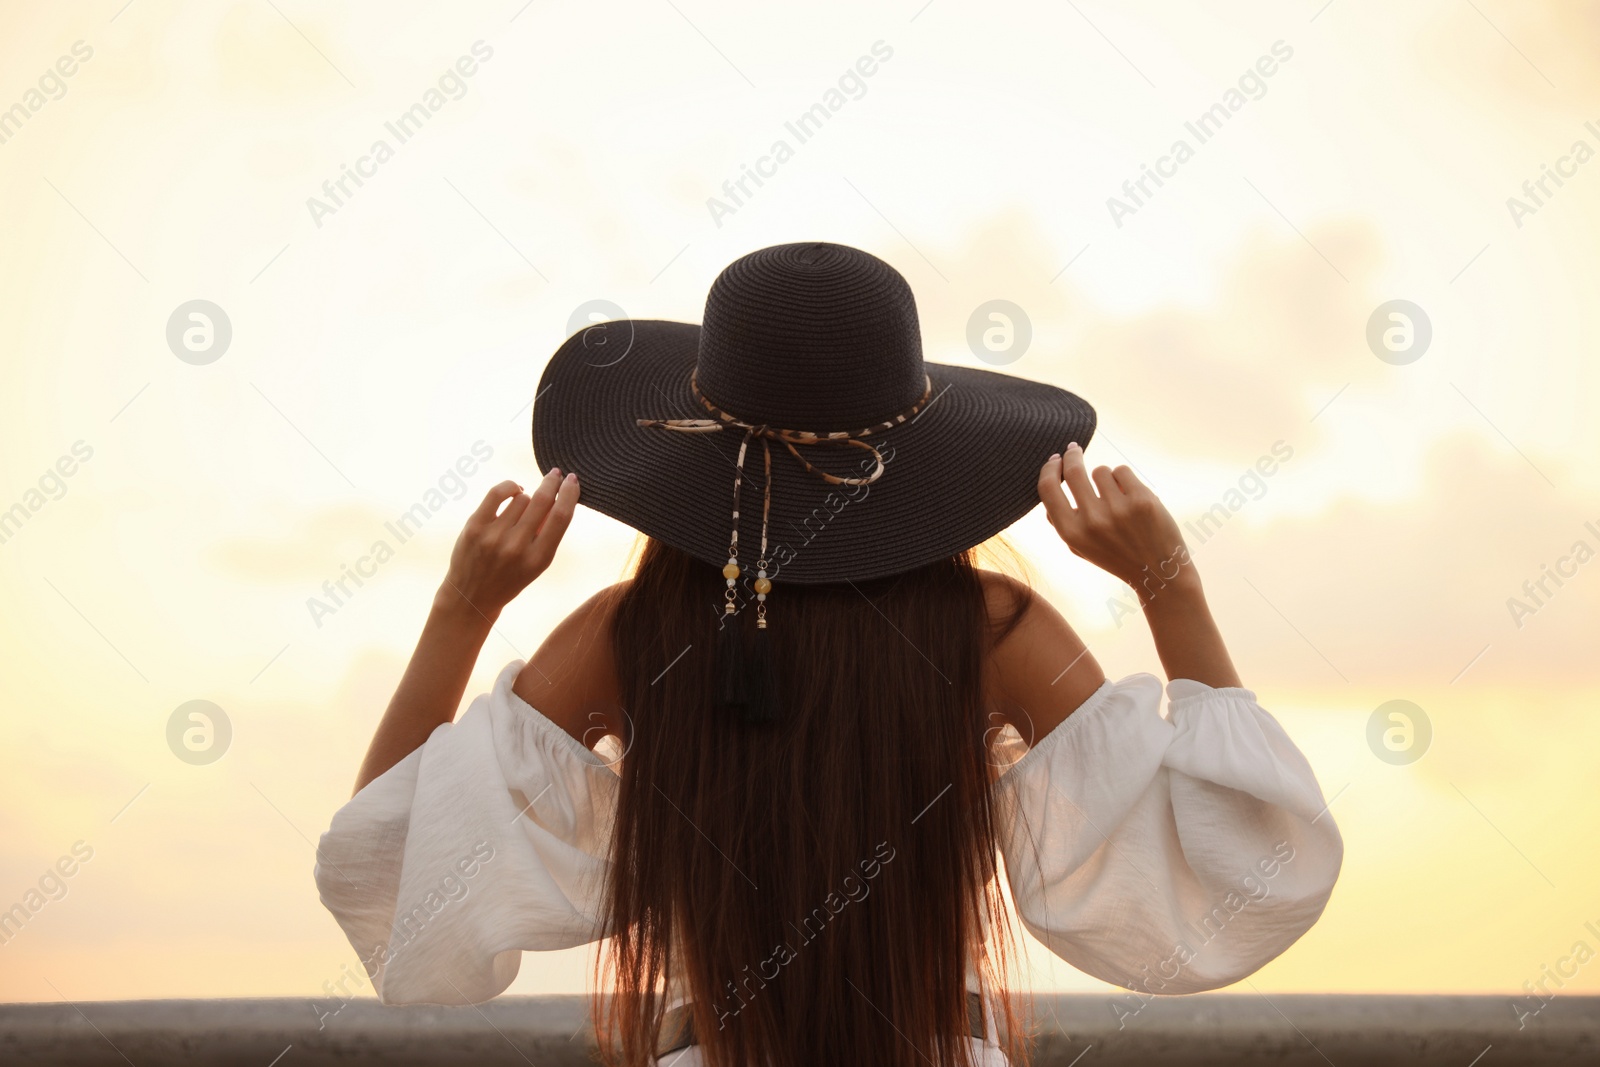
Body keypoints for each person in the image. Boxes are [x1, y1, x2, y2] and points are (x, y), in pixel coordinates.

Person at [315, 243, 1343, 1067]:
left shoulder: (622, 637)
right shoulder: (995, 630)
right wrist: (1168, 584)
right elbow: (1245, 863)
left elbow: (389, 865)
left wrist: (463, 606)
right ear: (920, 448)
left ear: (693, 448)